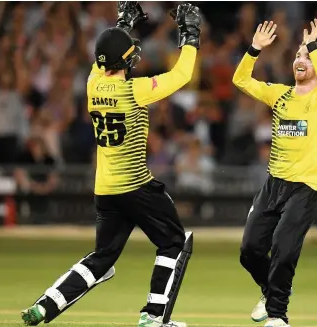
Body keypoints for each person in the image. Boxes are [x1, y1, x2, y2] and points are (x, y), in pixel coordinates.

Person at [20, 2, 201, 327]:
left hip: (105, 189)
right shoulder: (134, 92)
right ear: (125, 61)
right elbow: (182, 74)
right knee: (174, 243)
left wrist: (123, 23)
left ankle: (45, 305)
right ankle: (153, 318)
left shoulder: (92, 84)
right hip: (138, 187)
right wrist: (190, 34)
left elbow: (103, 58)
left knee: (103, 259)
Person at [232, 19, 317, 327]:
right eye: (296, 56)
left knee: (283, 246)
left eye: (305, 57)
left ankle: (279, 315)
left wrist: (314, 46)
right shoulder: (280, 95)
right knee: (249, 251)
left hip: (306, 187)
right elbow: (241, 80)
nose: (299, 61)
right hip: (274, 184)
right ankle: (270, 291)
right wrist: (254, 49)